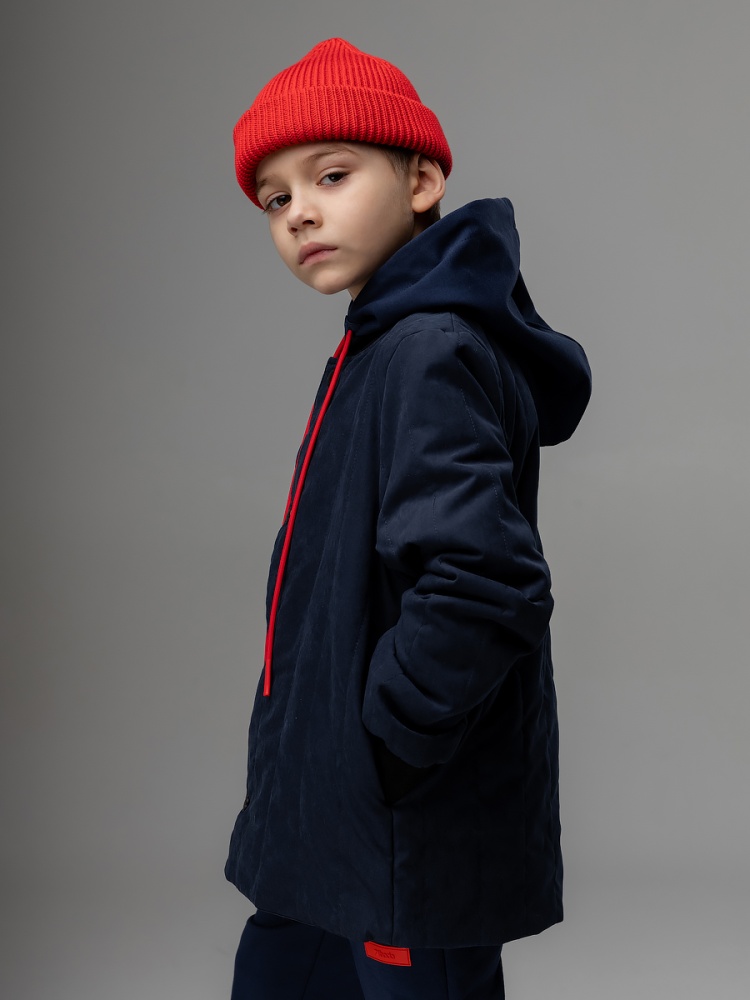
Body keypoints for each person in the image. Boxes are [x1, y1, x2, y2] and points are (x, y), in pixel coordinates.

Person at [225, 37, 591, 1000]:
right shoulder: (377, 346)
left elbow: (485, 583)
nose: (299, 211)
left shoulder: (427, 351)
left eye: (331, 175)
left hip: (399, 833)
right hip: (318, 829)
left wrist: (386, 745)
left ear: (422, 180)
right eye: (275, 199)